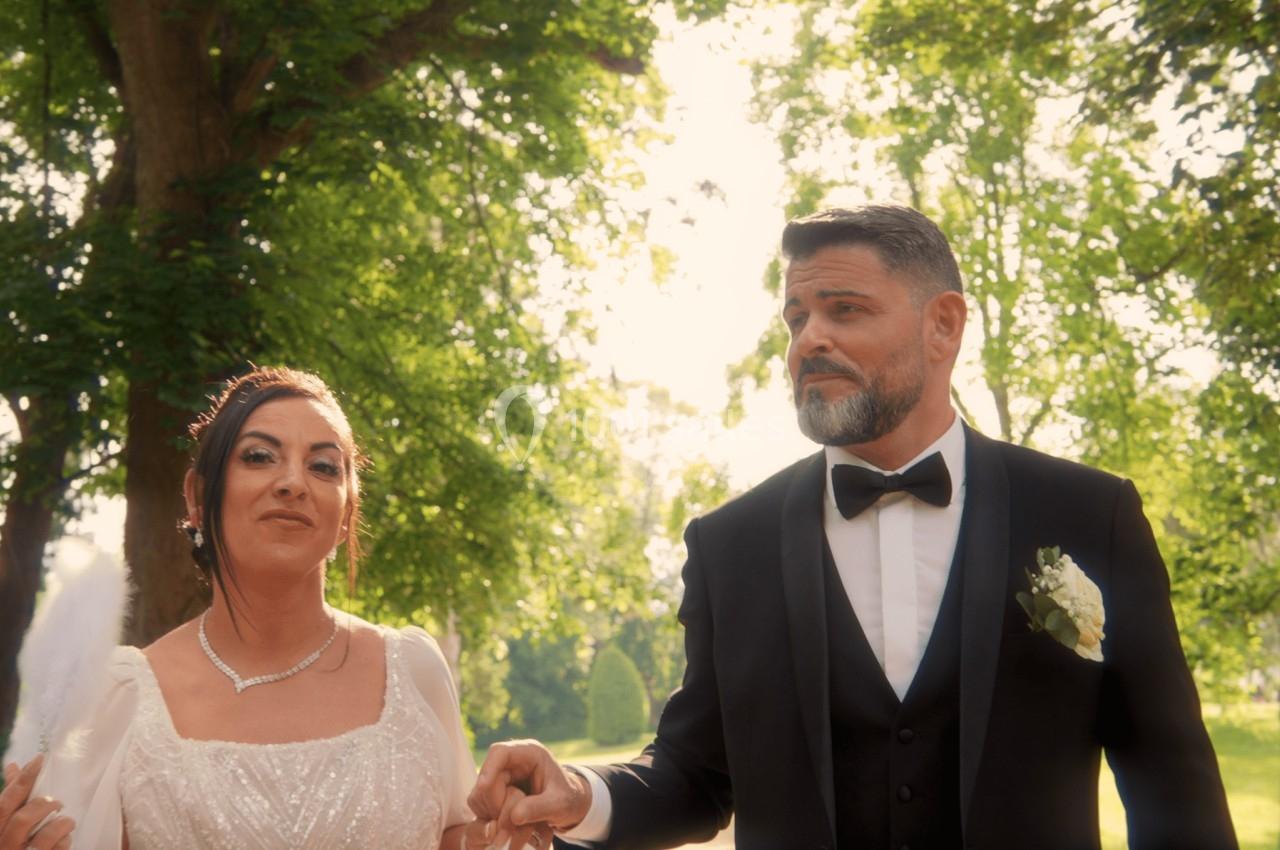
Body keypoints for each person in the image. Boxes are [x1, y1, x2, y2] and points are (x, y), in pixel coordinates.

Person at [469, 206, 1238, 849]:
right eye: (796, 317)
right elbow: (697, 773)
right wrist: (580, 792)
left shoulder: (1087, 515)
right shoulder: (729, 544)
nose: (809, 341)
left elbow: (1170, 781)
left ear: (944, 326)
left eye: (844, 310)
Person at [0, 367, 544, 850]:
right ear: (196, 495)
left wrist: (499, 836)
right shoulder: (118, 699)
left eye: (324, 467)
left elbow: (452, 836)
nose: (292, 483)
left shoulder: (414, 671)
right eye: (259, 457)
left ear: (349, 510)